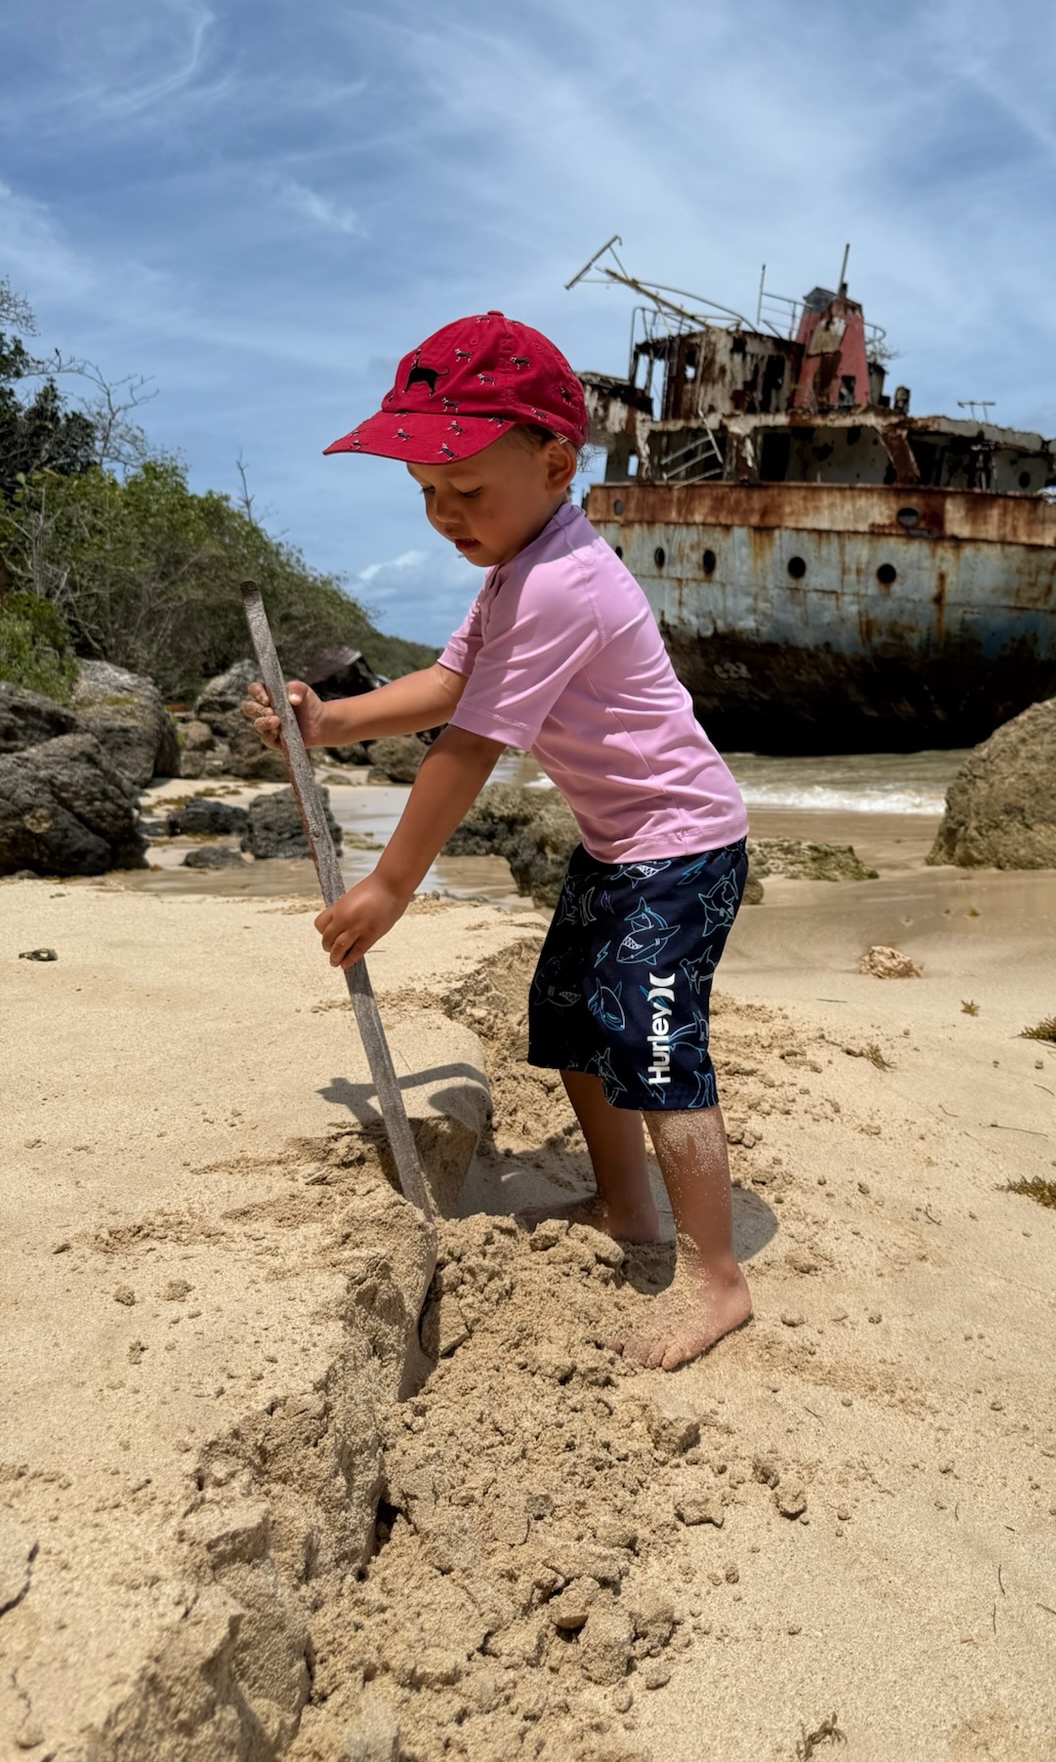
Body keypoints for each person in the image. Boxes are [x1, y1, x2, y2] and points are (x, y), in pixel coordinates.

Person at [245, 310, 753, 1370]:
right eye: (426, 493)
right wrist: (330, 720)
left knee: (652, 1039)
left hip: (684, 842)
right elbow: (449, 682)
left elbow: (470, 744)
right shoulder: (514, 568)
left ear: (555, 462)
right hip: (621, 843)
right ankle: (628, 1208)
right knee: (567, 1013)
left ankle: (716, 1278)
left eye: (465, 490)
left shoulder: (565, 581)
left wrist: (390, 884)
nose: (442, 514)